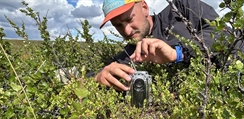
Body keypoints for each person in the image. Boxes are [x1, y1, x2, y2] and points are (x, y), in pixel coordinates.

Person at [93, 0, 221, 91]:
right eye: (118, 25)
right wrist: (97, 77)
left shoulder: (182, 8)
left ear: (144, 8)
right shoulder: (129, 55)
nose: (126, 31)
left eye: (130, 19)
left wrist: (178, 53)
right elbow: (86, 77)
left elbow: (221, 33)